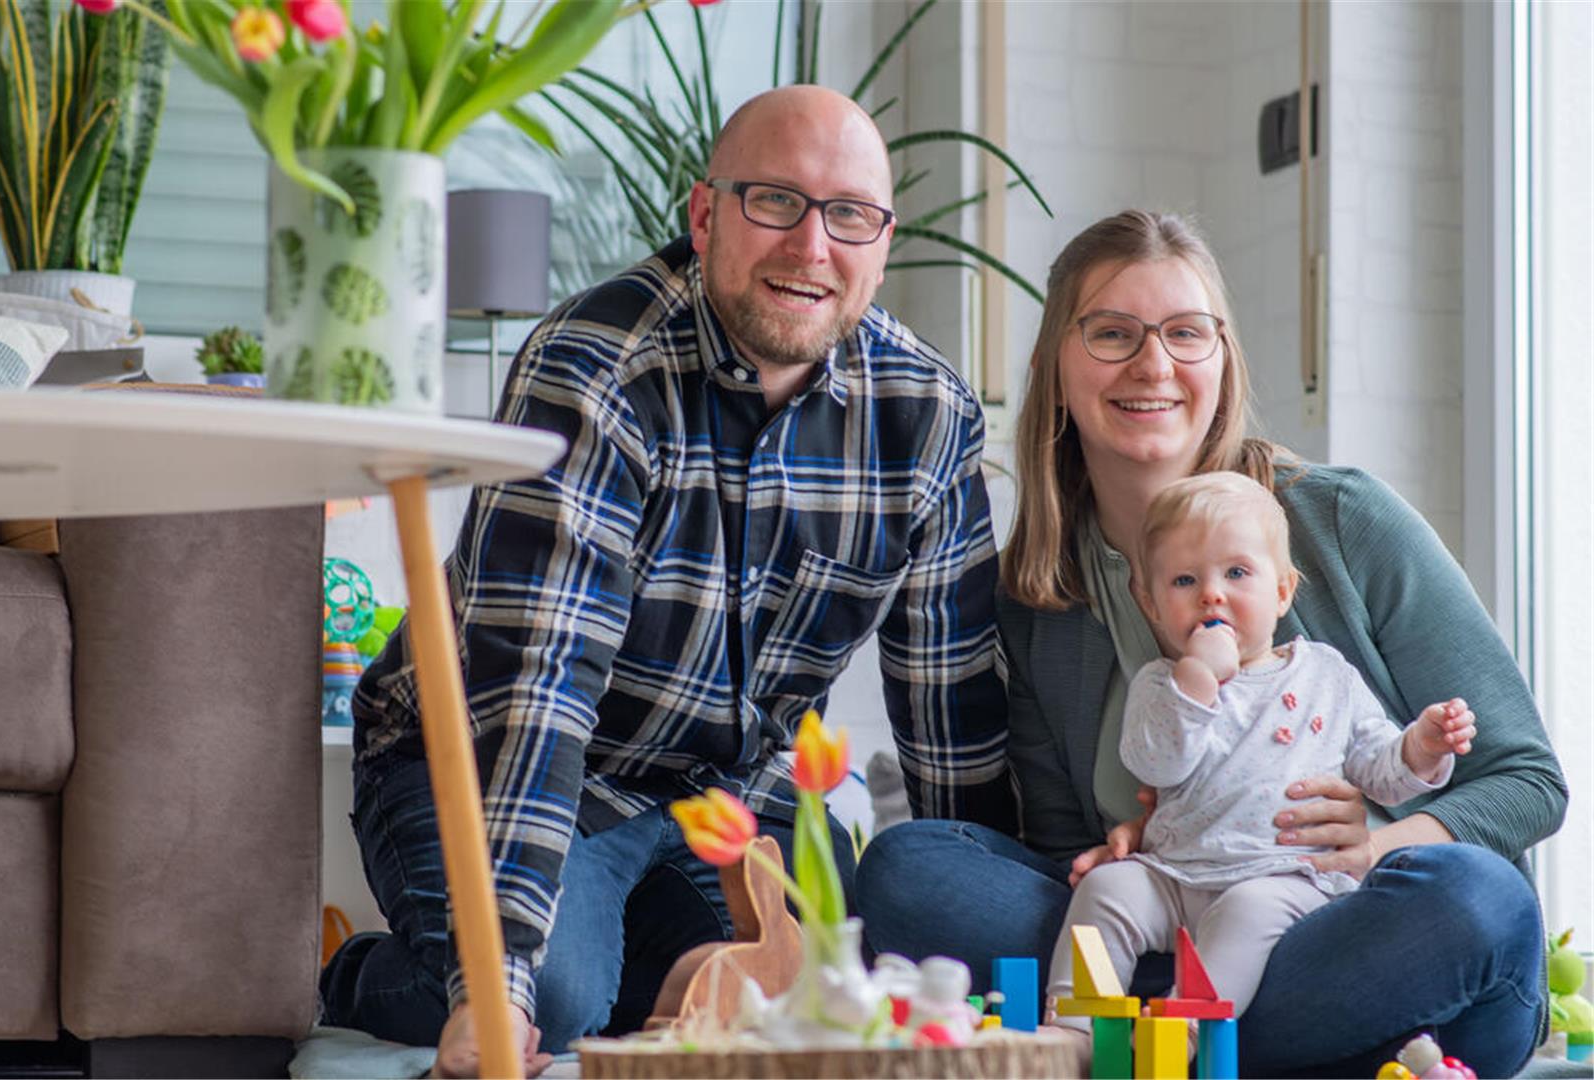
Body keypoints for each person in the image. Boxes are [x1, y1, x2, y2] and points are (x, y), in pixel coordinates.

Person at [319, 85, 1015, 1078]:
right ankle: (349, 969)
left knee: (807, 997)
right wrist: (498, 982)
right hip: (482, 755)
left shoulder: (928, 414)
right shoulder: (594, 367)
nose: (811, 246)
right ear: (704, 215)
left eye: (848, 215)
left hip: (724, 793)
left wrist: (985, 945)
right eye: (775, 201)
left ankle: (658, 962)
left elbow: (952, 713)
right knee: (547, 1001)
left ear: (883, 240)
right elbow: (540, 687)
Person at [857, 209, 1567, 1076]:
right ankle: (1231, 1049)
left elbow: (1529, 780)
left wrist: (1379, 837)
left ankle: (1157, 1048)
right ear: (1055, 368)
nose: (1153, 364)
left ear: (1222, 360)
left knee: (1478, 902)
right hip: (1171, 922)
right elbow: (1056, 858)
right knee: (910, 869)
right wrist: (1119, 842)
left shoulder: (1341, 520)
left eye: (1186, 334)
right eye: (1113, 333)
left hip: (1354, 932)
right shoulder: (1039, 598)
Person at [1046, 470, 1475, 1039]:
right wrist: (1197, 676)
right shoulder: (1162, 684)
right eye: (1183, 580)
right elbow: (1157, 765)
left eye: (1237, 573)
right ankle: (1072, 1030)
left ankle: (1180, 1034)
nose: (1212, 594)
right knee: (1107, 890)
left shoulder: (1327, 674)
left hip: (1282, 879)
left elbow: (1380, 773)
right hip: (1173, 875)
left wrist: (1419, 749)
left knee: (1248, 914)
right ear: (1149, 603)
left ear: (1282, 591)